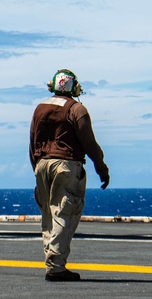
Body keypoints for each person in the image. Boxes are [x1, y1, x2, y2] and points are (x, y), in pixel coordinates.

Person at [29, 69, 110, 282]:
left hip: (42, 164)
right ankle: (56, 267)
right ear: (74, 87)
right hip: (66, 165)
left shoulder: (40, 108)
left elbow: (33, 140)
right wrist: (101, 168)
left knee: (48, 214)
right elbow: (89, 143)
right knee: (65, 212)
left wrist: (37, 168)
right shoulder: (77, 109)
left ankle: (52, 260)